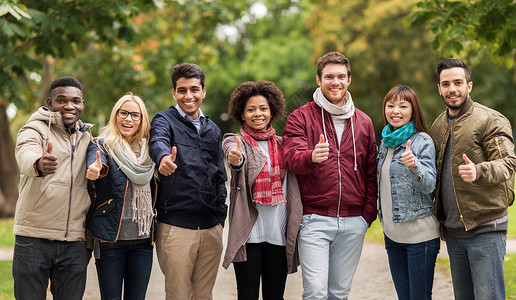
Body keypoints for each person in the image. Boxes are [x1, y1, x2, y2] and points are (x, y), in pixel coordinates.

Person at [282, 51, 377, 299]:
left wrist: (367, 215)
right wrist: (311, 156)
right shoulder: (300, 117)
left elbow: (370, 171)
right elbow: (291, 158)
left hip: (353, 221)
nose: (335, 82)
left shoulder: (364, 122)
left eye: (341, 76)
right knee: (315, 291)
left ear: (349, 80)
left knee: (340, 292)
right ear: (318, 80)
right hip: (314, 219)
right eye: (329, 76)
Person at [431, 58, 516, 300]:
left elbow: (508, 163)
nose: (452, 89)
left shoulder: (490, 120)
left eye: (458, 82)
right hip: (454, 231)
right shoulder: (437, 126)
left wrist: (479, 171)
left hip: (485, 228)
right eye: (446, 84)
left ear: (469, 85)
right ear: (439, 88)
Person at [149, 63, 228, 300]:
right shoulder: (164, 120)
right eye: (182, 90)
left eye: (194, 89)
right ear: (174, 93)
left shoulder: (213, 129)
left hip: (210, 227)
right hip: (176, 226)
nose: (188, 96)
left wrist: (219, 218)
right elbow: (158, 141)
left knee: (204, 296)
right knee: (178, 296)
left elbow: (219, 176)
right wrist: (163, 158)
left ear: (203, 91)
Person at [13, 76, 93, 299]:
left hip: (73, 245)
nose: (69, 106)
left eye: (75, 101)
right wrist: (38, 163)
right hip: (33, 240)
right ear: (49, 102)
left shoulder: (88, 138)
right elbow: (26, 152)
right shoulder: (34, 129)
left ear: (82, 104)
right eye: (61, 100)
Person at [221, 81, 303, 299]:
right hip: (249, 235)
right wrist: (235, 159)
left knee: (275, 296)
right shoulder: (235, 141)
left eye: (263, 108)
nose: (258, 114)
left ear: (272, 111)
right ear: (242, 113)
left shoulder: (284, 144)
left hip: (278, 232)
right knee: (247, 295)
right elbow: (233, 155)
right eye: (251, 109)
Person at [85, 93, 155, 300]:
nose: (128, 119)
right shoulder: (102, 145)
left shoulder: (150, 151)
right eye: (123, 113)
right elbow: (95, 162)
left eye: (135, 115)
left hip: (143, 240)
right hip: (110, 240)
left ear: (142, 120)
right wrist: (95, 169)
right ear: (115, 115)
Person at [377, 85, 440, 300]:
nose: (396, 111)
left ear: (413, 110)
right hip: (392, 236)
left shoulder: (422, 141)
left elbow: (430, 185)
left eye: (403, 106)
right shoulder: (385, 143)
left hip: (420, 238)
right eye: (390, 105)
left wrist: (414, 165)